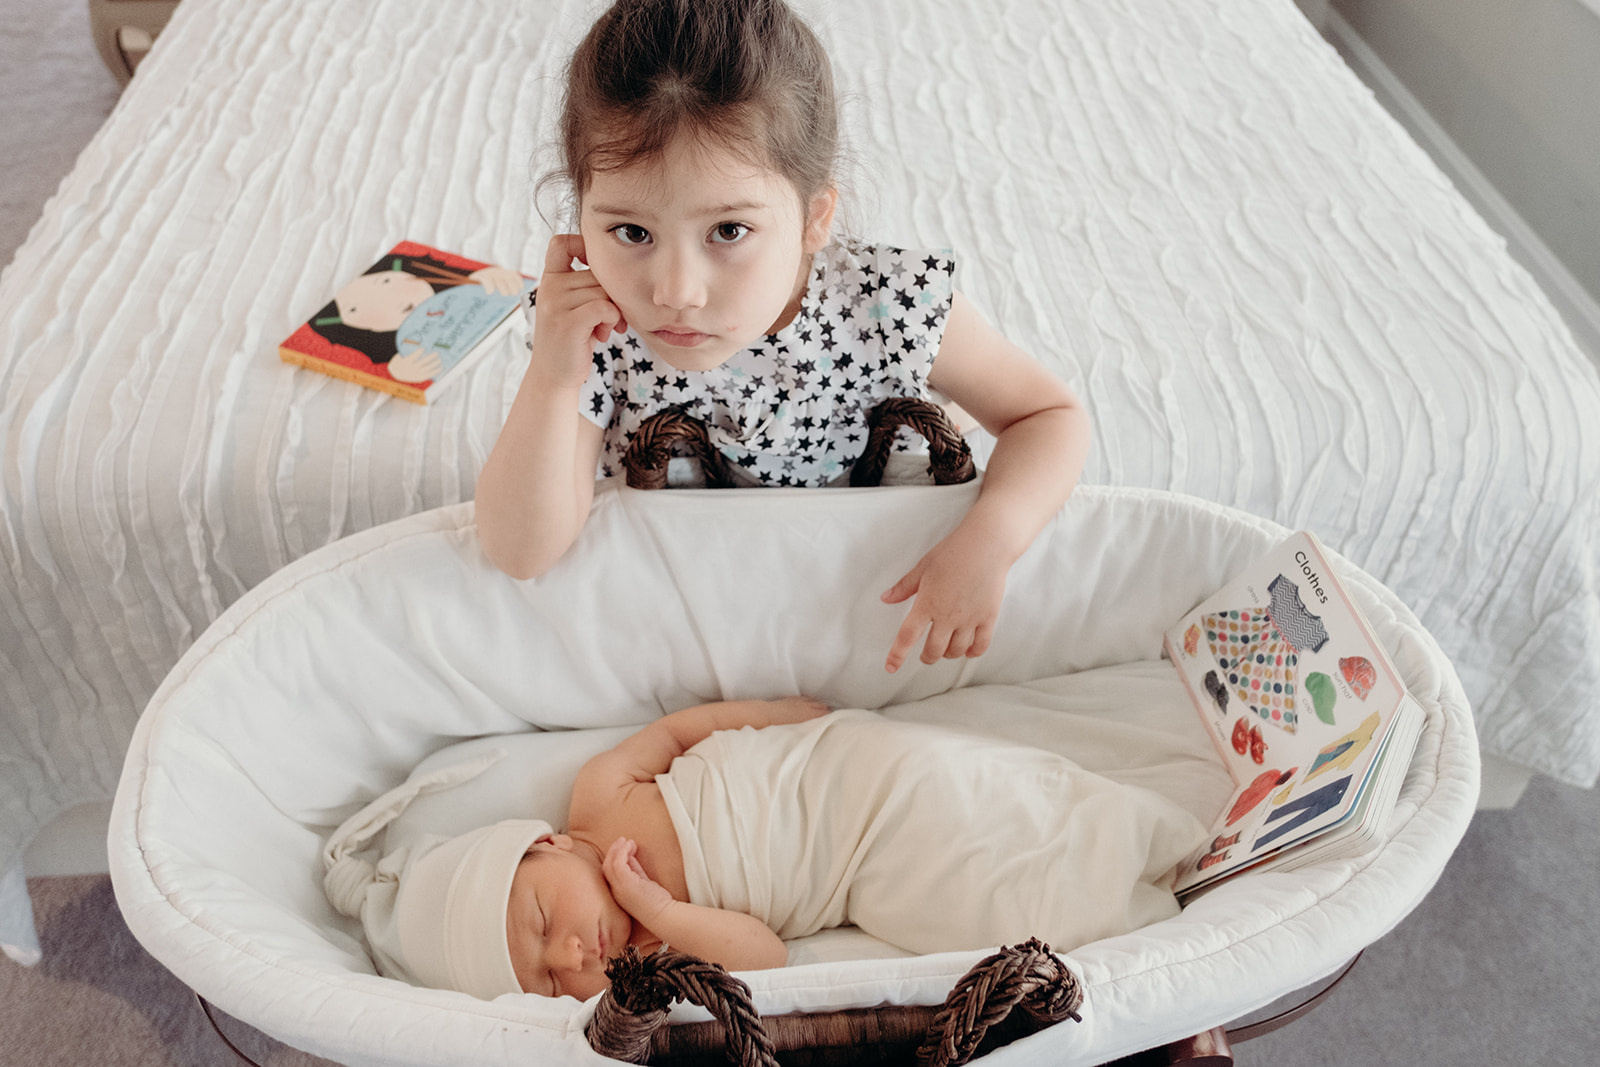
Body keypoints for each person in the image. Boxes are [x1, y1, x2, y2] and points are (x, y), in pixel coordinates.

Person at [474, 0, 1092, 674]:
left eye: (728, 231)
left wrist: (991, 538)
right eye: (631, 232)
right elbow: (519, 550)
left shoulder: (887, 305)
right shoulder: (600, 336)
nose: (675, 290)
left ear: (813, 218)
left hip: (861, 630)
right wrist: (553, 375)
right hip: (700, 647)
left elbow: (1051, 416)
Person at [322, 696, 1206, 1001]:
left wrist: (786, 713)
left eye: (545, 917)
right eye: (551, 977)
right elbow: (766, 953)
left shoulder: (598, 792)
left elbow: (681, 728)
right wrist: (660, 912)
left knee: (976, 790)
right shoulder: (652, 952)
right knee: (993, 904)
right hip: (856, 868)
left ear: (546, 845)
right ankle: (1136, 897)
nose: (571, 952)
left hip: (840, 772)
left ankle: (1140, 830)